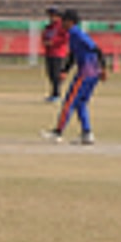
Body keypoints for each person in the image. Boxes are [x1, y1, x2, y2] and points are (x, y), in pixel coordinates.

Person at [42, 9, 107, 145]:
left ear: (70, 22)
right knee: (81, 103)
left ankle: (58, 132)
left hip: (86, 72)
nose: (61, 24)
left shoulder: (77, 34)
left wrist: (104, 68)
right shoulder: (72, 35)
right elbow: (73, 55)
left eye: (64, 21)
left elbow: (97, 49)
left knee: (69, 102)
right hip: (92, 72)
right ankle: (87, 133)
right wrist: (65, 70)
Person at [41, 5, 69, 102]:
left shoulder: (61, 26)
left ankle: (57, 94)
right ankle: (54, 93)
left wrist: (54, 42)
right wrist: (45, 41)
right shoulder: (49, 27)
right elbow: (44, 35)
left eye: (53, 15)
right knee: (50, 74)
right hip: (49, 53)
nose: (51, 17)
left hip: (58, 53)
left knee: (56, 74)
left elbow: (65, 38)